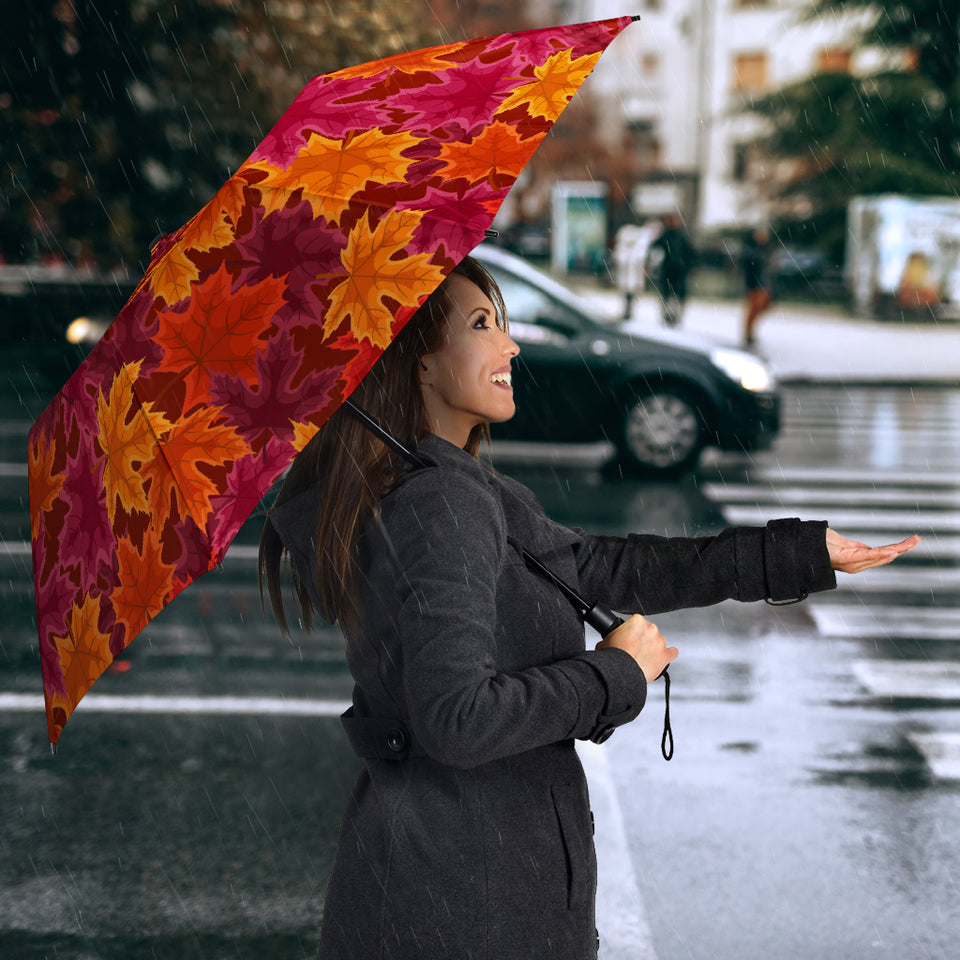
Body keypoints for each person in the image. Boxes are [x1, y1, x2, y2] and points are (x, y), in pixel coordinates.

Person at [259, 255, 920, 960]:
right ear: (418, 362)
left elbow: (603, 568)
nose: (510, 345)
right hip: (464, 901)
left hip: (461, 882)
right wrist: (613, 674)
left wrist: (796, 553)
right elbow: (456, 719)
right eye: (483, 325)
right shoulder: (439, 503)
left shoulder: (455, 488)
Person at [648, 213, 695, 327]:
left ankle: (675, 316)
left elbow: (690, 253)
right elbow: (654, 249)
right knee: (667, 294)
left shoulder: (681, 237)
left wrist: (690, 267)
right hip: (668, 270)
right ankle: (667, 315)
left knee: (677, 295)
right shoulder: (665, 236)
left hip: (679, 271)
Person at [741, 226, 773, 347]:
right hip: (755, 284)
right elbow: (750, 265)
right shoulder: (751, 250)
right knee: (754, 308)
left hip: (763, 283)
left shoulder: (763, 249)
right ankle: (748, 333)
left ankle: (750, 331)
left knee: (762, 306)